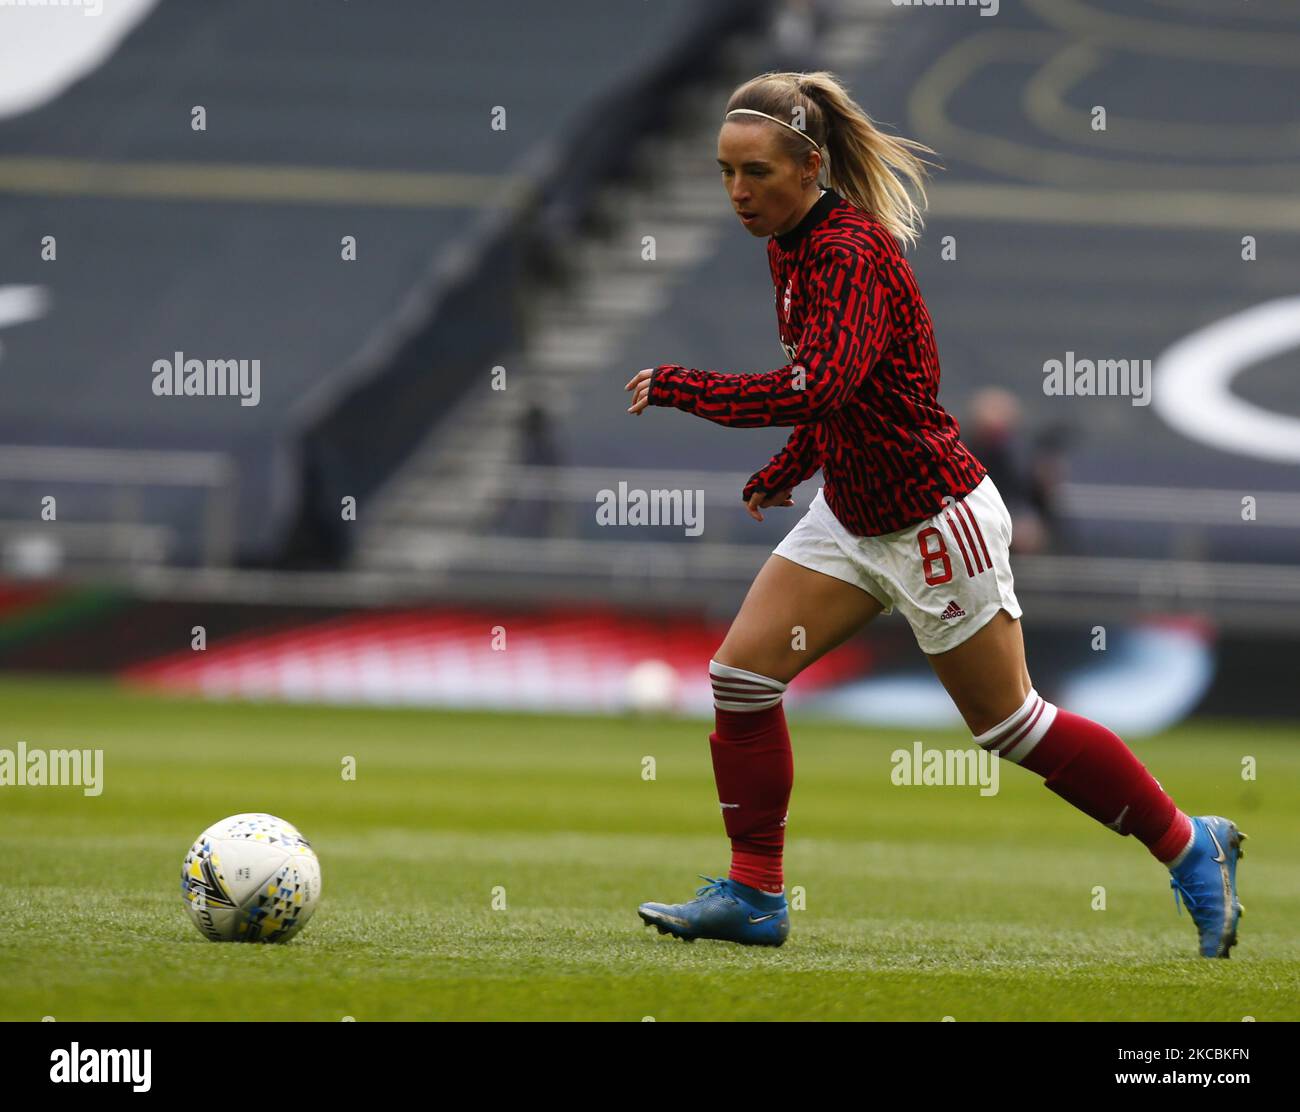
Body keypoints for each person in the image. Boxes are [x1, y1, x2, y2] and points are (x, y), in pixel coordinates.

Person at [622, 71, 1245, 957]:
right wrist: (791, 466)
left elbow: (823, 381)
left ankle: (1190, 845)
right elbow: (842, 395)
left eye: (754, 172)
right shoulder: (789, 243)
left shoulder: (850, 253)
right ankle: (757, 894)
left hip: (931, 522)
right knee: (742, 680)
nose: (736, 192)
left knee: (1010, 727)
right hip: (851, 514)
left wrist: (686, 386)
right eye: (725, 171)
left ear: (808, 165)